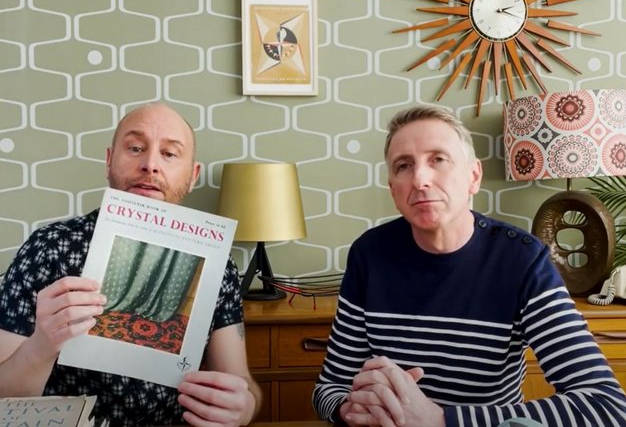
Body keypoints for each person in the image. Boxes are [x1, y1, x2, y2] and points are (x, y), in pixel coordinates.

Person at [313, 105, 626, 426]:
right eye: (404, 165)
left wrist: (439, 420)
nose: (420, 179)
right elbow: (330, 387)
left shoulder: (524, 261)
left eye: (438, 159)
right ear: (393, 189)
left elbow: (606, 405)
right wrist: (347, 408)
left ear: (473, 176)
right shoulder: (369, 254)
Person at [0, 103, 262, 426]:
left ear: (193, 175)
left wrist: (244, 407)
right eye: (135, 148)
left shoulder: (218, 265)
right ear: (109, 161)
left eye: (169, 154)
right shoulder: (48, 247)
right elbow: (3, 397)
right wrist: (42, 344)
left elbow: (243, 383)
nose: (150, 165)